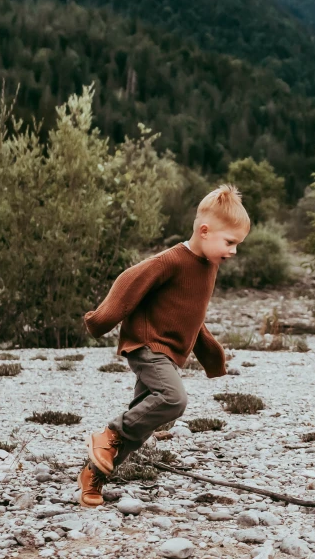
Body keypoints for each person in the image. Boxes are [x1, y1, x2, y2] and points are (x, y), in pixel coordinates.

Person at [75, 185, 248, 507]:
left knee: (142, 422)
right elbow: (130, 279)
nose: (234, 251)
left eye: (237, 244)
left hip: (167, 353)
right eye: (230, 242)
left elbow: (191, 314)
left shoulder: (209, 266)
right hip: (146, 344)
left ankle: (93, 476)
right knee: (172, 399)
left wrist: (210, 352)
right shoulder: (170, 261)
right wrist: (101, 319)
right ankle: (108, 436)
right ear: (205, 231)